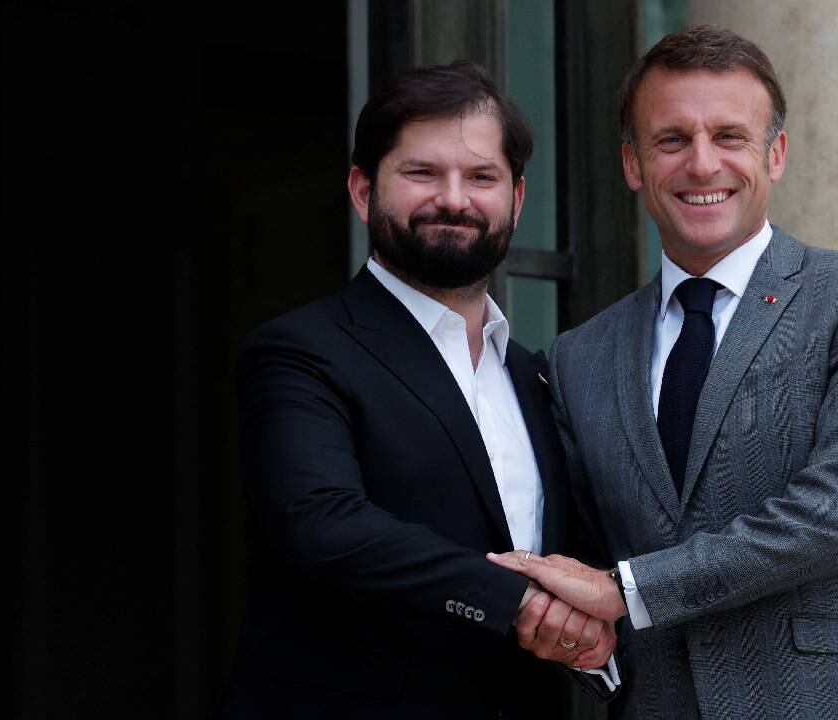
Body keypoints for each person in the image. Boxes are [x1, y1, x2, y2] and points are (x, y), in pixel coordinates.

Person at [489, 26, 838, 719]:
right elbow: (587, 559)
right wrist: (586, 638)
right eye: (672, 140)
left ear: (776, 153)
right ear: (634, 164)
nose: (702, 164)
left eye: (730, 136)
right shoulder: (582, 355)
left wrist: (628, 590)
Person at [221, 60, 614, 719]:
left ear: (516, 201)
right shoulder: (300, 351)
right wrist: (515, 602)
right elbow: (321, 522)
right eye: (422, 173)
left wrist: (598, 628)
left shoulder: (534, 374)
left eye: (481, 177)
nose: (454, 200)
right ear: (362, 189)